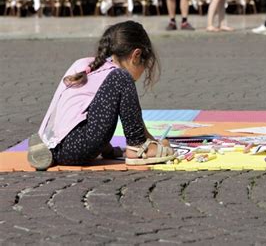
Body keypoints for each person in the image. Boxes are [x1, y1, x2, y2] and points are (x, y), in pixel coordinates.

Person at [27, 21, 175, 170]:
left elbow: (85, 115)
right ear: (136, 56)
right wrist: (146, 142)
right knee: (122, 77)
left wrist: (109, 149)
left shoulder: (84, 65)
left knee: (118, 80)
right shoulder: (116, 75)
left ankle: (46, 146)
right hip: (76, 147)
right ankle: (137, 147)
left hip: (56, 145)